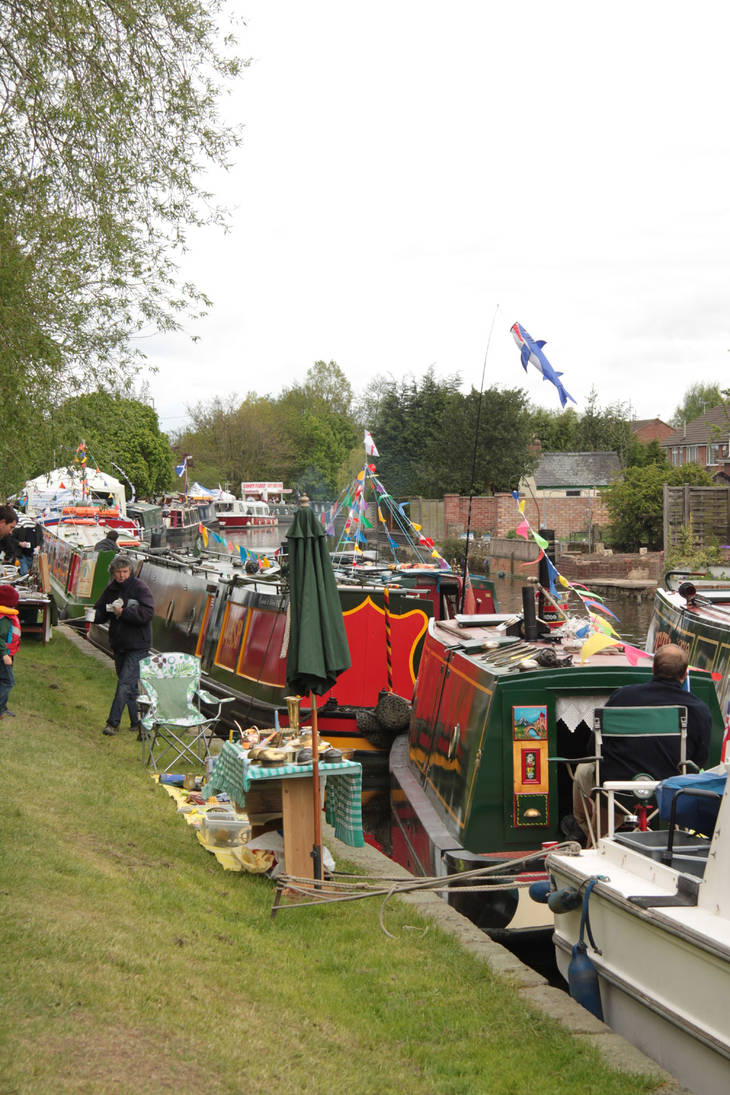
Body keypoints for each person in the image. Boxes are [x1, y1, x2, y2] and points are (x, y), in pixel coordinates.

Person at [564, 643, 712, 843]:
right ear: (684, 674)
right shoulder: (698, 708)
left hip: (617, 792)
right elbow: (699, 761)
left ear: (653, 670)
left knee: (584, 770)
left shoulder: (622, 696)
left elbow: (593, 749)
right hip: (669, 794)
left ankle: (591, 834)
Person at [93, 555, 154, 737]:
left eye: (125, 572)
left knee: (124, 684)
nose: (121, 576)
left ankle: (113, 723)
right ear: (113, 573)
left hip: (138, 645)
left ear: (130, 571)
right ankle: (138, 724)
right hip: (119, 643)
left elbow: (148, 613)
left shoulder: (140, 588)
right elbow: (101, 610)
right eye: (118, 572)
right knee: (130, 687)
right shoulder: (111, 589)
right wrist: (93, 615)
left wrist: (123, 613)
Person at [0, 584, 21, 720]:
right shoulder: (5, 619)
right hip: (4, 654)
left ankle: (3, 706)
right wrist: (4, 655)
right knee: (8, 681)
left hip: (8, 653)